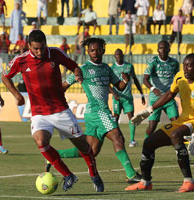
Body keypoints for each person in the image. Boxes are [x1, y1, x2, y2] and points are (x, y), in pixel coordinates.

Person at [2, 30, 104, 192]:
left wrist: (78, 74)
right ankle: (68, 175)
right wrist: (17, 95)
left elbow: (74, 66)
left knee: (84, 147)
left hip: (61, 110)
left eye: (42, 47)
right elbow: (5, 76)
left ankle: (94, 174)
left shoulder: (55, 53)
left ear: (45, 44)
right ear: (29, 46)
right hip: (39, 113)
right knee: (41, 141)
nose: (39, 51)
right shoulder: (21, 60)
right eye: (35, 48)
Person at [58, 38, 142, 184]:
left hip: (94, 112)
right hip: (98, 110)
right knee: (118, 137)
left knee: (91, 150)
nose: (95, 53)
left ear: (103, 50)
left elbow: (119, 86)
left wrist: (126, 80)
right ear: (87, 51)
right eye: (91, 50)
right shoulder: (83, 69)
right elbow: (63, 86)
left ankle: (55, 155)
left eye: (97, 50)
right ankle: (131, 174)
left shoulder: (106, 68)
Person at [126, 53, 194, 193]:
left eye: (189, 66)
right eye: (184, 65)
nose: (185, 69)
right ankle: (145, 182)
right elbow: (169, 95)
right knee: (149, 142)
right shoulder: (179, 76)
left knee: (175, 135)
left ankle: (189, 181)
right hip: (182, 121)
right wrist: (149, 110)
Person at [109, 49, 145, 147]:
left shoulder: (129, 66)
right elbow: (108, 83)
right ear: (114, 56)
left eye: (120, 54)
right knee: (115, 118)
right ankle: (116, 139)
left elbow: (135, 80)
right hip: (117, 97)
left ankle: (132, 140)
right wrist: (113, 94)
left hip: (127, 97)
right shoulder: (112, 68)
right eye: (116, 54)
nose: (119, 56)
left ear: (123, 55)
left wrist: (141, 94)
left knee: (131, 117)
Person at [143, 41, 179, 139]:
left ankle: (179, 146)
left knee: (176, 122)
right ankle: (146, 144)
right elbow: (145, 79)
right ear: (157, 50)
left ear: (169, 49)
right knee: (152, 126)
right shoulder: (153, 62)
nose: (162, 50)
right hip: (156, 98)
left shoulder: (174, 63)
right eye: (160, 48)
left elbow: (178, 78)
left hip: (168, 97)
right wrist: (153, 88)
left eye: (165, 48)